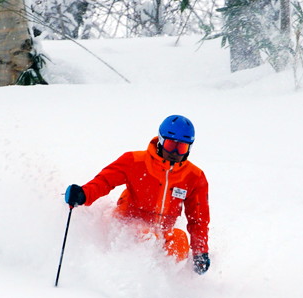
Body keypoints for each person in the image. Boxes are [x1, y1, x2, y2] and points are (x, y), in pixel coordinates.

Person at [64, 115, 210, 275]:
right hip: (127, 226)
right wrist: (83, 194)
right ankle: (129, 282)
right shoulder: (135, 161)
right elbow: (105, 181)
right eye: (170, 145)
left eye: (181, 148)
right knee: (145, 235)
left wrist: (200, 252)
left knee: (179, 240)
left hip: (161, 233)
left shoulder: (194, 176)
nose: (175, 152)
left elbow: (199, 219)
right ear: (161, 141)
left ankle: (166, 287)